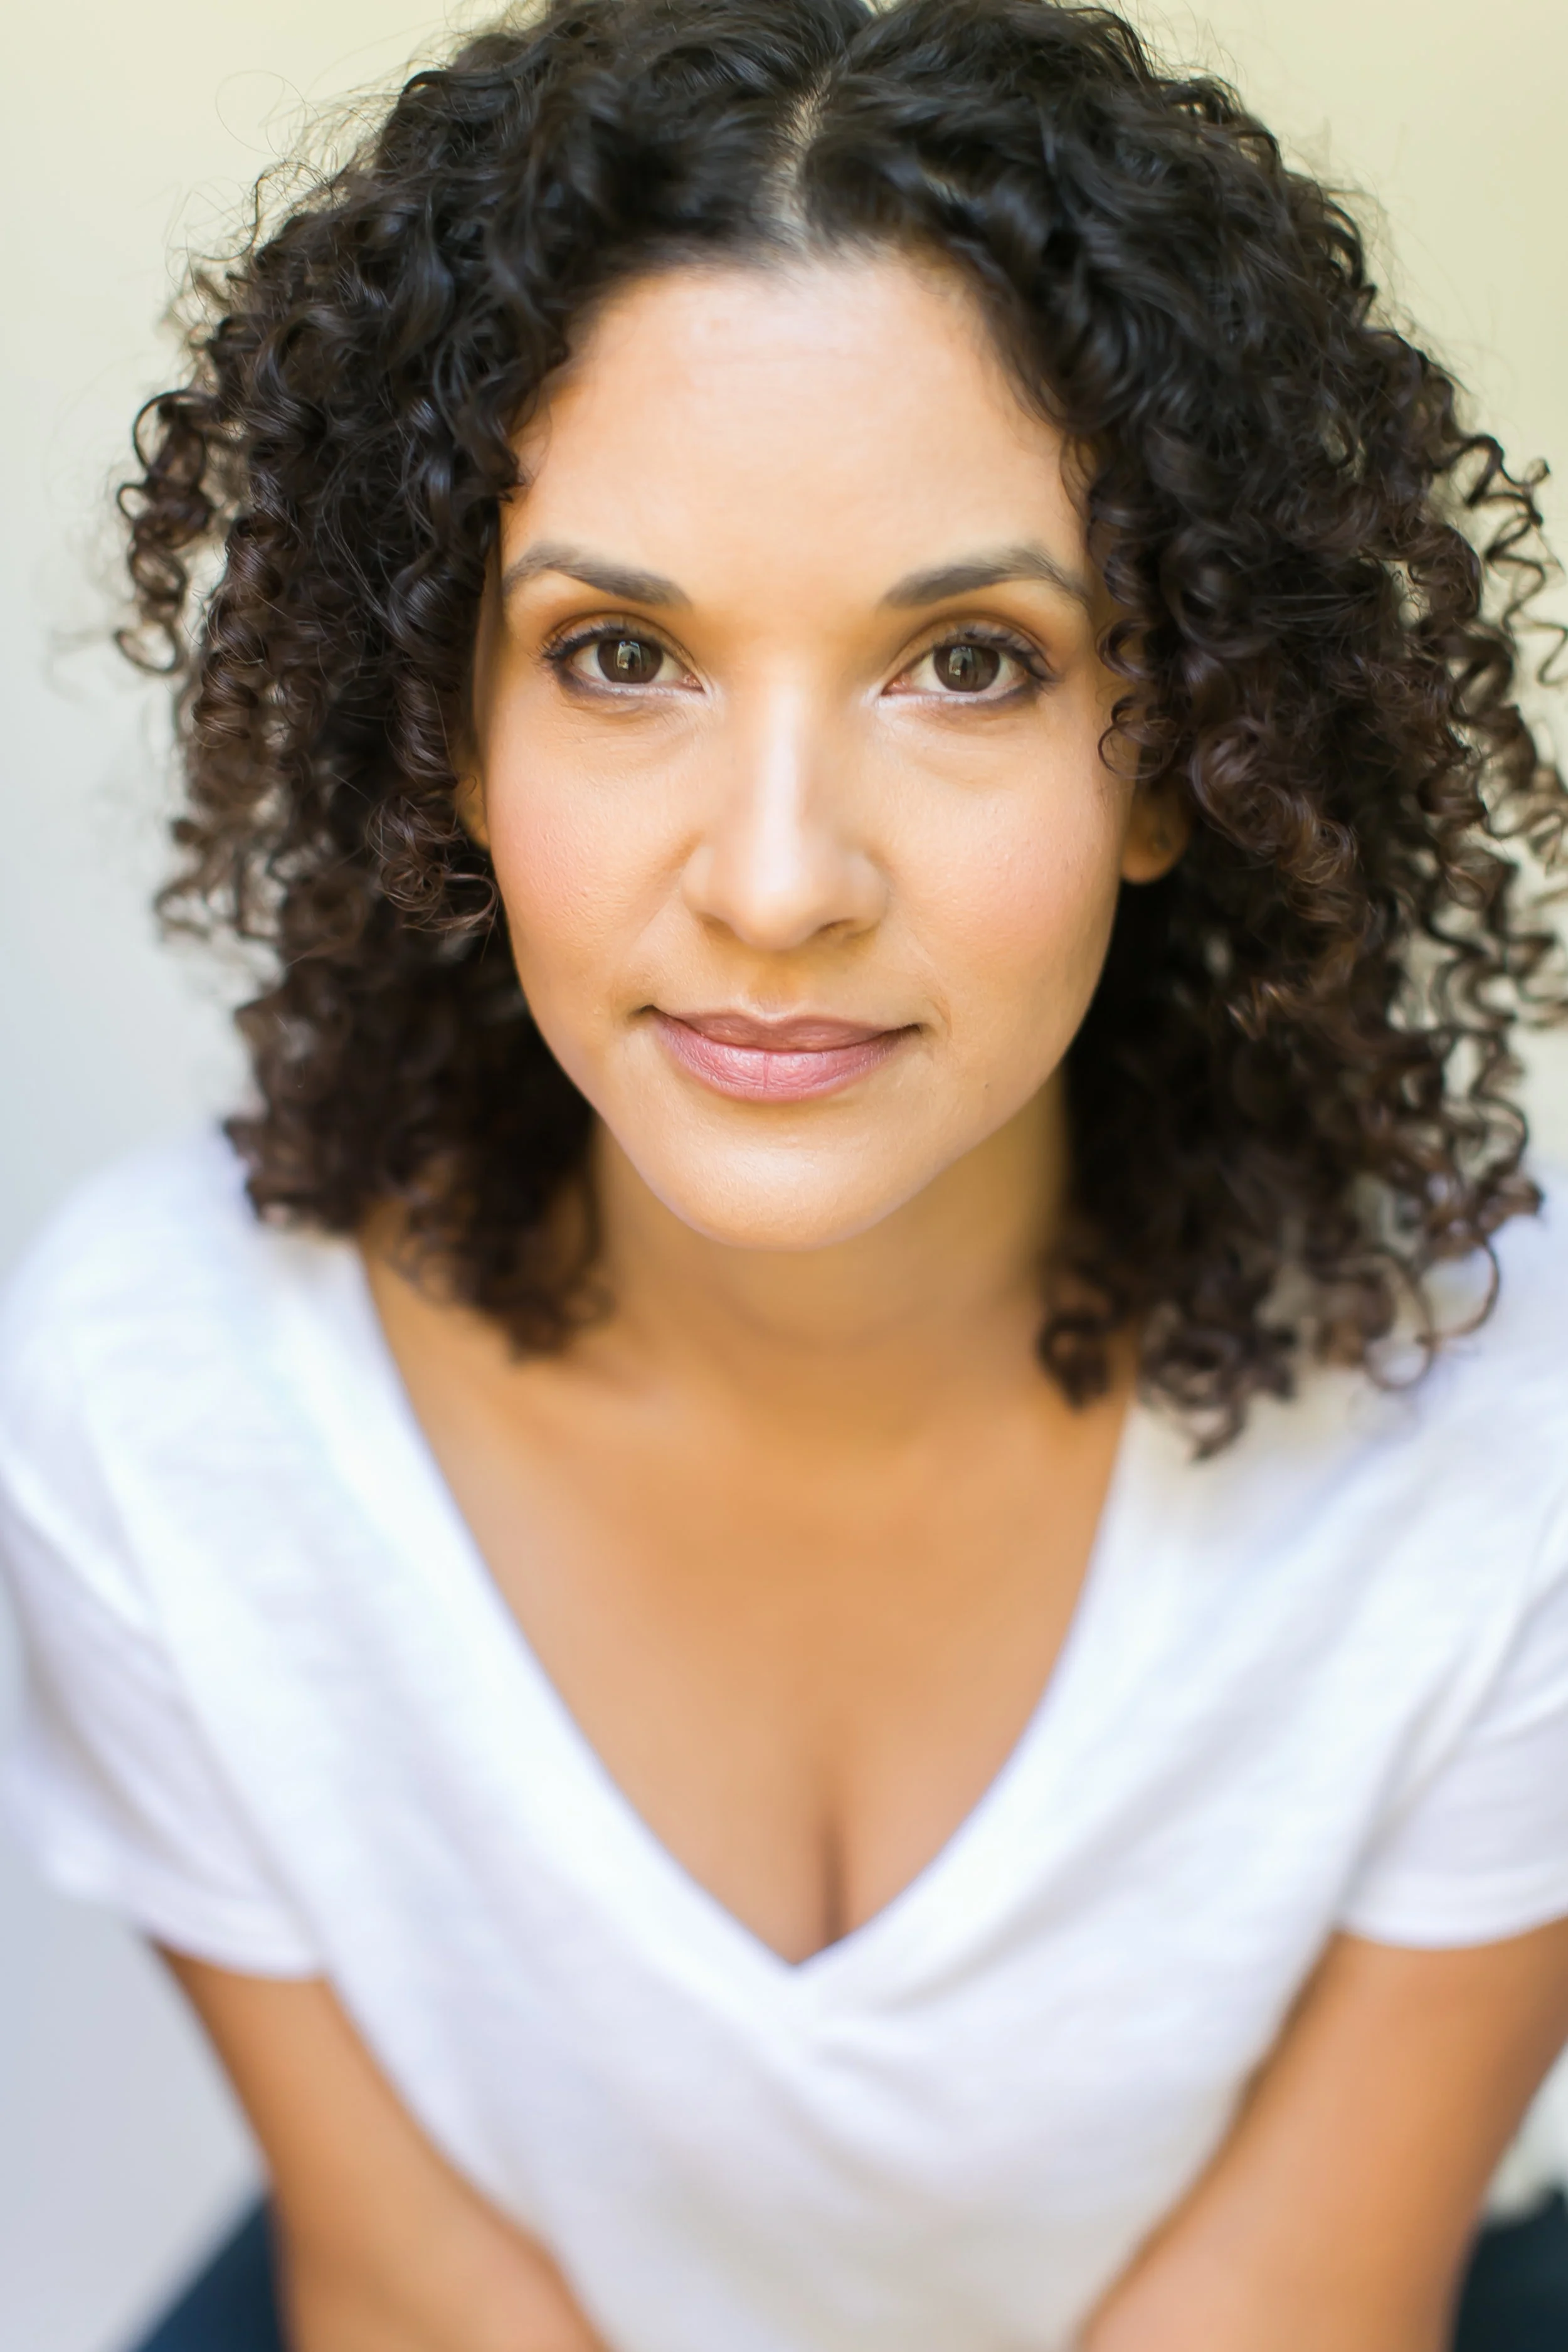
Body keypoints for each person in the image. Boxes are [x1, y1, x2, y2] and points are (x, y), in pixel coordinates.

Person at [5, 1, 1568, 2346]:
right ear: (450, 730)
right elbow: (419, 2294)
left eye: (969, 661)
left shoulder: (1506, 1425)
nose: (773, 880)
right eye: (619, 651)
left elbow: (1290, 2310)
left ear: (1181, 750)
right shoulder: (165, 1397)